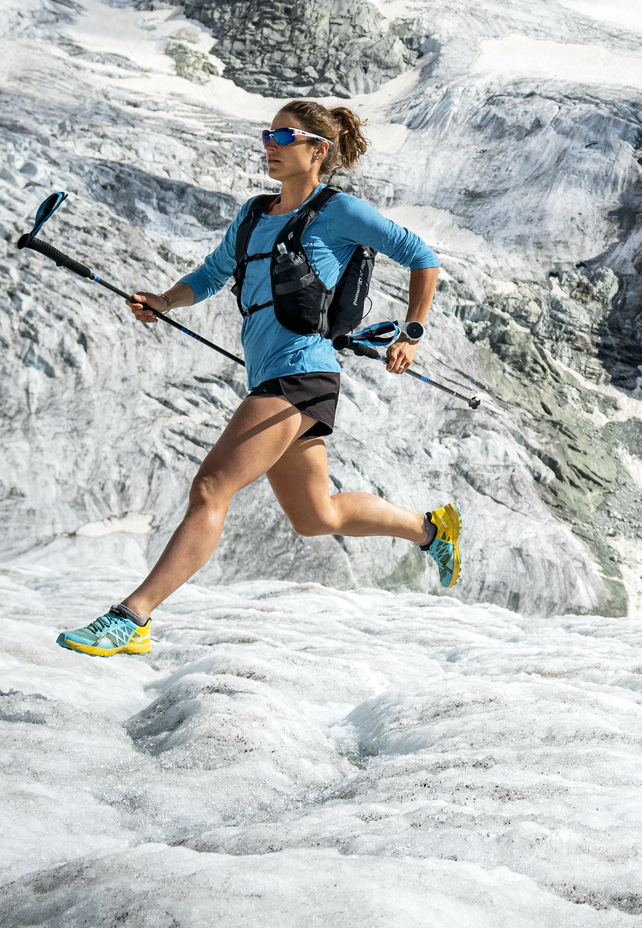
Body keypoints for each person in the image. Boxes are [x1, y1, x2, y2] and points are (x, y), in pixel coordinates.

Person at [56, 99, 458, 657]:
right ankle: (431, 529)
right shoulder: (252, 213)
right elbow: (215, 271)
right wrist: (164, 300)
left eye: (284, 136)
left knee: (211, 487)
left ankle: (133, 617)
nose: (270, 144)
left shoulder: (338, 211)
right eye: (266, 134)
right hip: (272, 375)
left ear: (318, 150)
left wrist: (411, 333)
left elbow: (421, 256)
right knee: (318, 517)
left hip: (301, 375)